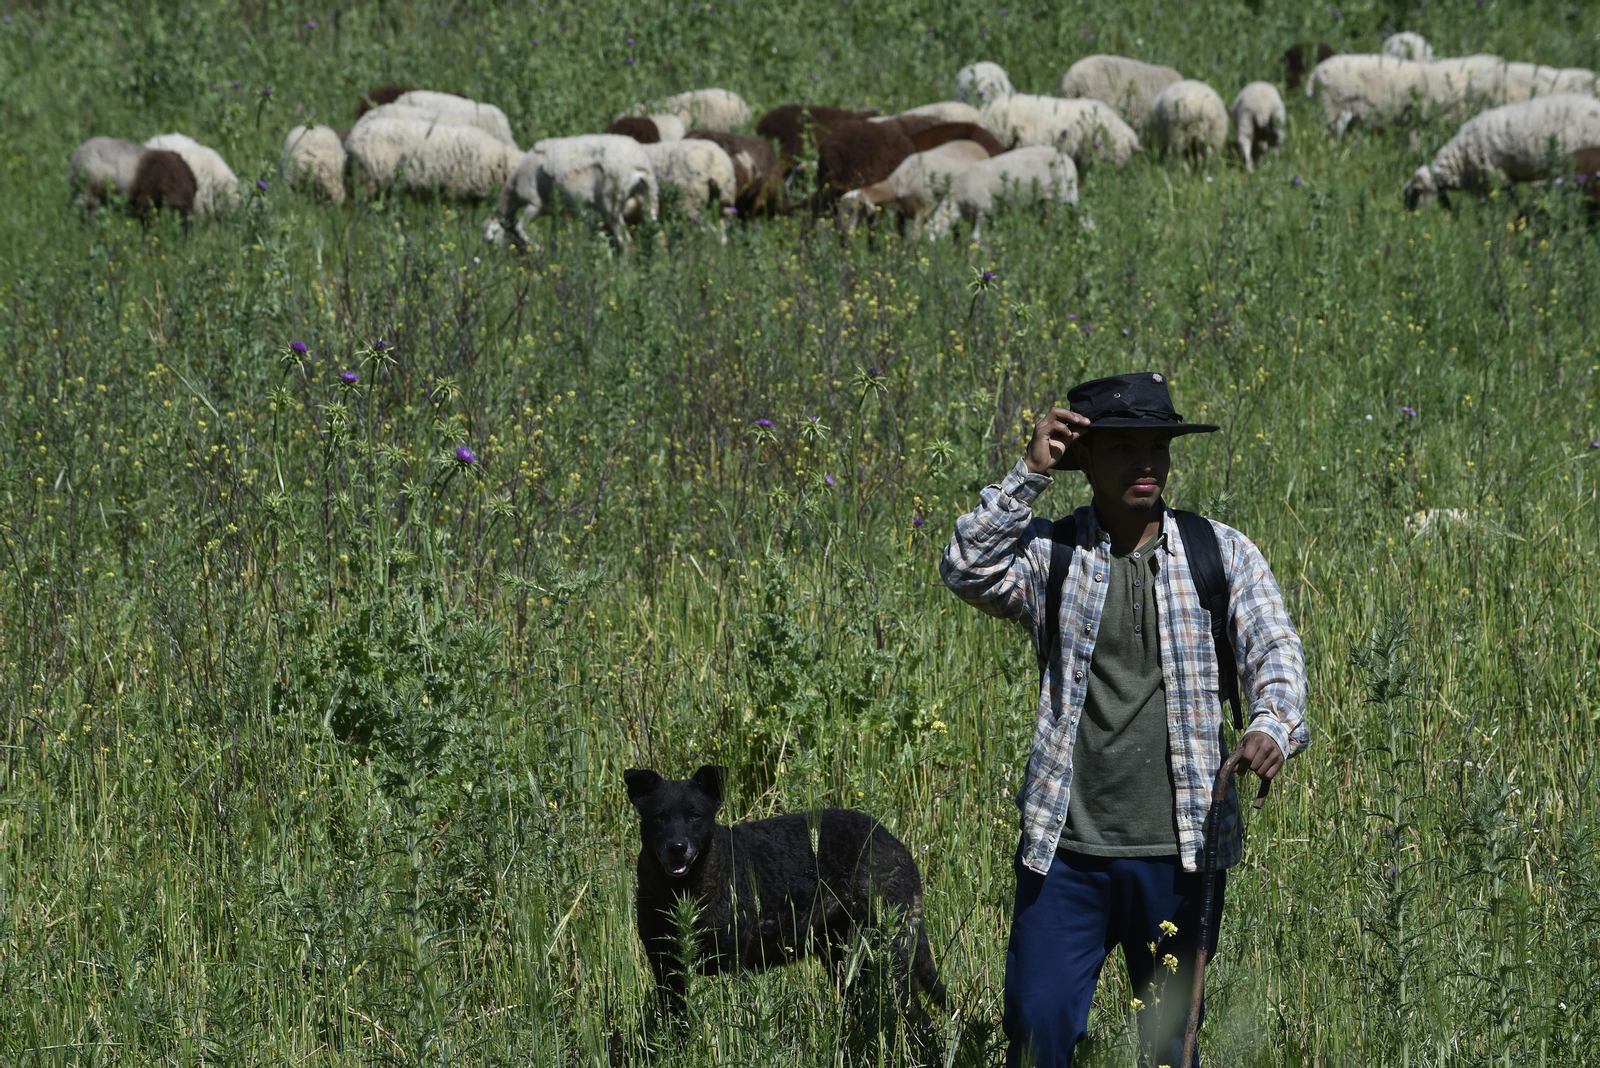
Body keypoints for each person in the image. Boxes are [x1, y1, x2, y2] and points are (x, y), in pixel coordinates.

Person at [940, 372, 1309, 1068]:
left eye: (1156, 447)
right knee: (1036, 1030)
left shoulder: (1218, 553)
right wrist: (1027, 473)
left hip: (1182, 855)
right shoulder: (1052, 556)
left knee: (1170, 1048)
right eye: (1121, 449)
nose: (1145, 464)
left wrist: (1271, 727)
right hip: (1066, 854)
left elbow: (1277, 653)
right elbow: (966, 567)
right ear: (1082, 461)